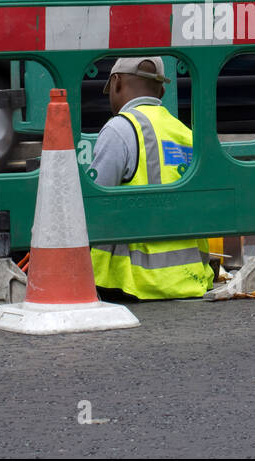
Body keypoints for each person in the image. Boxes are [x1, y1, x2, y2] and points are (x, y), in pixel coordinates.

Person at [89, 56, 214, 300]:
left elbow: (93, 206)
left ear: (116, 83)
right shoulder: (186, 134)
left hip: (130, 285)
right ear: (163, 90)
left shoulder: (120, 129)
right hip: (191, 282)